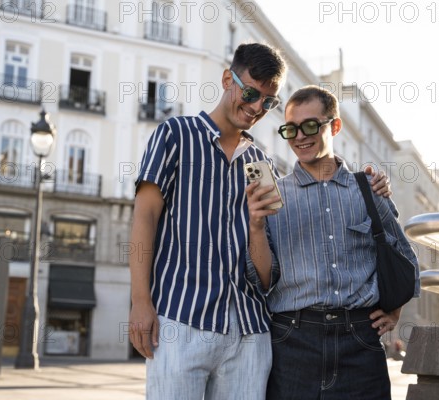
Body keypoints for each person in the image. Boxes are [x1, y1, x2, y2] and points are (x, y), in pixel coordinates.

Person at [129, 43, 390, 400]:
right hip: (182, 319)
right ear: (227, 80)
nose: (255, 107)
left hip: (250, 332)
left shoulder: (262, 164)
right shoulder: (175, 135)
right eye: (250, 92)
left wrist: (369, 180)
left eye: (268, 102)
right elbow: (144, 217)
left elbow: (267, 272)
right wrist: (140, 301)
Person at [246, 85, 419, 400]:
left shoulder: (368, 190)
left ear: (334, 126)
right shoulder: (273, 197)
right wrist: (255, 226)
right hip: (292, 341)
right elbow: (262, 279)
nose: (300, 136)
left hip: (360, 342)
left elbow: (403, 256)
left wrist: (395, 311)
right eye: (290, 129)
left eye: (310, 125)